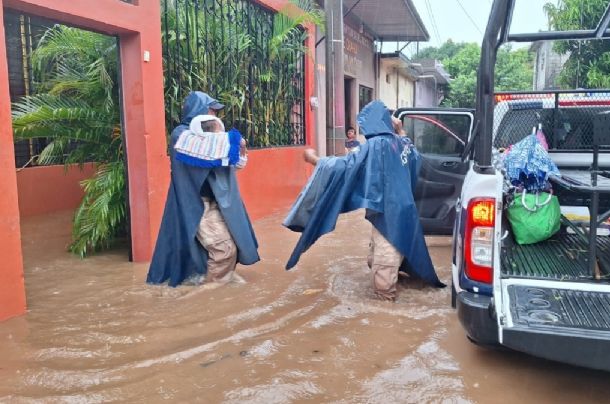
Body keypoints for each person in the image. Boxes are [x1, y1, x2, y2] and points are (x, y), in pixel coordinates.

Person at [284, 100, 445, 301]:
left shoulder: (378, 144)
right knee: (382, 255)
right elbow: (415, 157)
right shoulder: (401, 143)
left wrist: (314, 159)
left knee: (384, 273)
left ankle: (385, 313)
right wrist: (401, 129)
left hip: (390, 215)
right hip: (402, 213)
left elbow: (346, 165)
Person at [147, 91, 259, 287]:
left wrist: (238, 149)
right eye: (211, 109)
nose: (214, 114)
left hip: (218, 203)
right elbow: (207, 147)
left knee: (232, 242)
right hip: (197, 205)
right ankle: (211, 290)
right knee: (224, 249)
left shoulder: (213, 138)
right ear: (198, 110)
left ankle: (218, 280)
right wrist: (232, 140)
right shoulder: (181, 135)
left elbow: (233, 163)